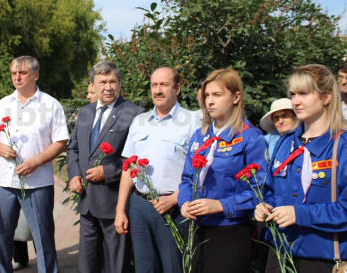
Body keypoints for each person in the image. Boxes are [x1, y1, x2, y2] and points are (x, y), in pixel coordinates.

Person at [255, 64, 347, 273]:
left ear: (326, 97)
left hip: (322, 258)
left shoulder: (342, 145)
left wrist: (299, 214)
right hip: (280, 253)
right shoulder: (285, 143)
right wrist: (264, 207)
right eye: (293, 94)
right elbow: (270, 191)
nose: (295, 101)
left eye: (304, 93)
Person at [0, 56, 69, 273]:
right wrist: (0, 149)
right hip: (5, 182)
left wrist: (36, 161)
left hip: (37, 183)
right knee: (2, 237)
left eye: (22, 73)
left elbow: (61, 141)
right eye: (14, 73)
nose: (17, 77)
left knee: (43, 238)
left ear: (35, 75)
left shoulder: (50, 105)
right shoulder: (3, 104)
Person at [178, 69, 267, 273]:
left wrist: (220, 205)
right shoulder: (199, 137)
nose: (210, 101)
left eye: (217, 95)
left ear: (236, 97)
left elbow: (261, 192)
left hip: (230, 231)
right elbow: (186, 179)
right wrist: (184, 203)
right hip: (196, 229)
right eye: (207, 95)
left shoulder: (251, 138)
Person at [115, 67, 200, 273]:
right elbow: (128, 168)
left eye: (164, 84)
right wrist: (120, 210)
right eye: (154, 85)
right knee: (144, 267)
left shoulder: (193, 121)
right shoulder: (140, 122)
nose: (158, 90)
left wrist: (174, 199)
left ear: (177, 88)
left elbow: (200, 170)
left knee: (174, 267)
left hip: (173, 207)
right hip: (139, 205)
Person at [67, 60, 143, 273]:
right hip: (86, 202)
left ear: (120, 84)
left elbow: (136, 159)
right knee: (87, 264)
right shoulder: (84, 113)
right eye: (102, 82)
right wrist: (74, 176)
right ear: (93, 85)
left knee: (115, 265)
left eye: (113, 82)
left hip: (114, 203)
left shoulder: (134, 114)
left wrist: (108, 171)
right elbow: (73, 149)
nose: (108, 87)